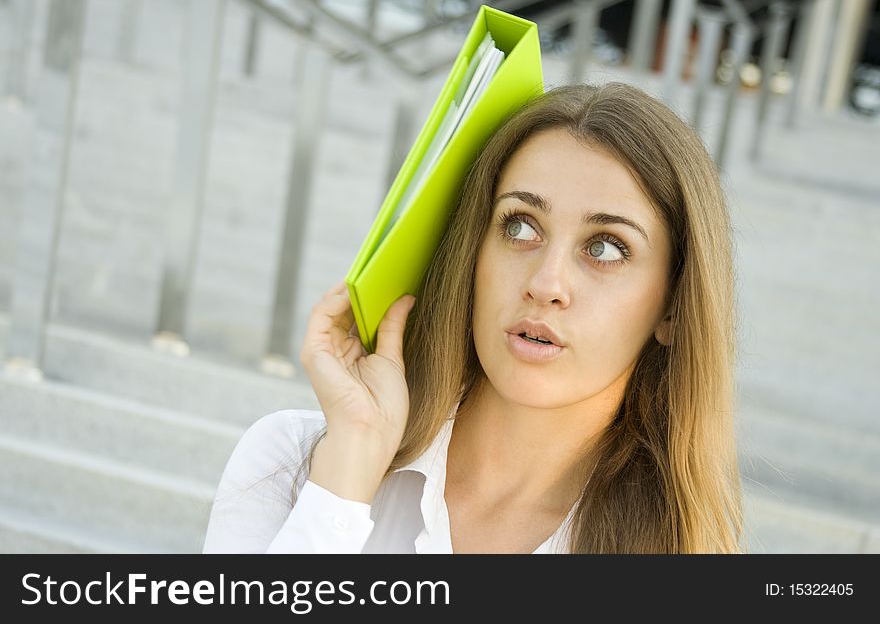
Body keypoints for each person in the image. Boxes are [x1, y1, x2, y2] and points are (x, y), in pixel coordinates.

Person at [202, 82, 742, 554]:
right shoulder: (292, 463)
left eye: (604, 248)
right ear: (474, 250)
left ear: (673, 305)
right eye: (521, 226)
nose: (546, 284)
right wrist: (345, 480)